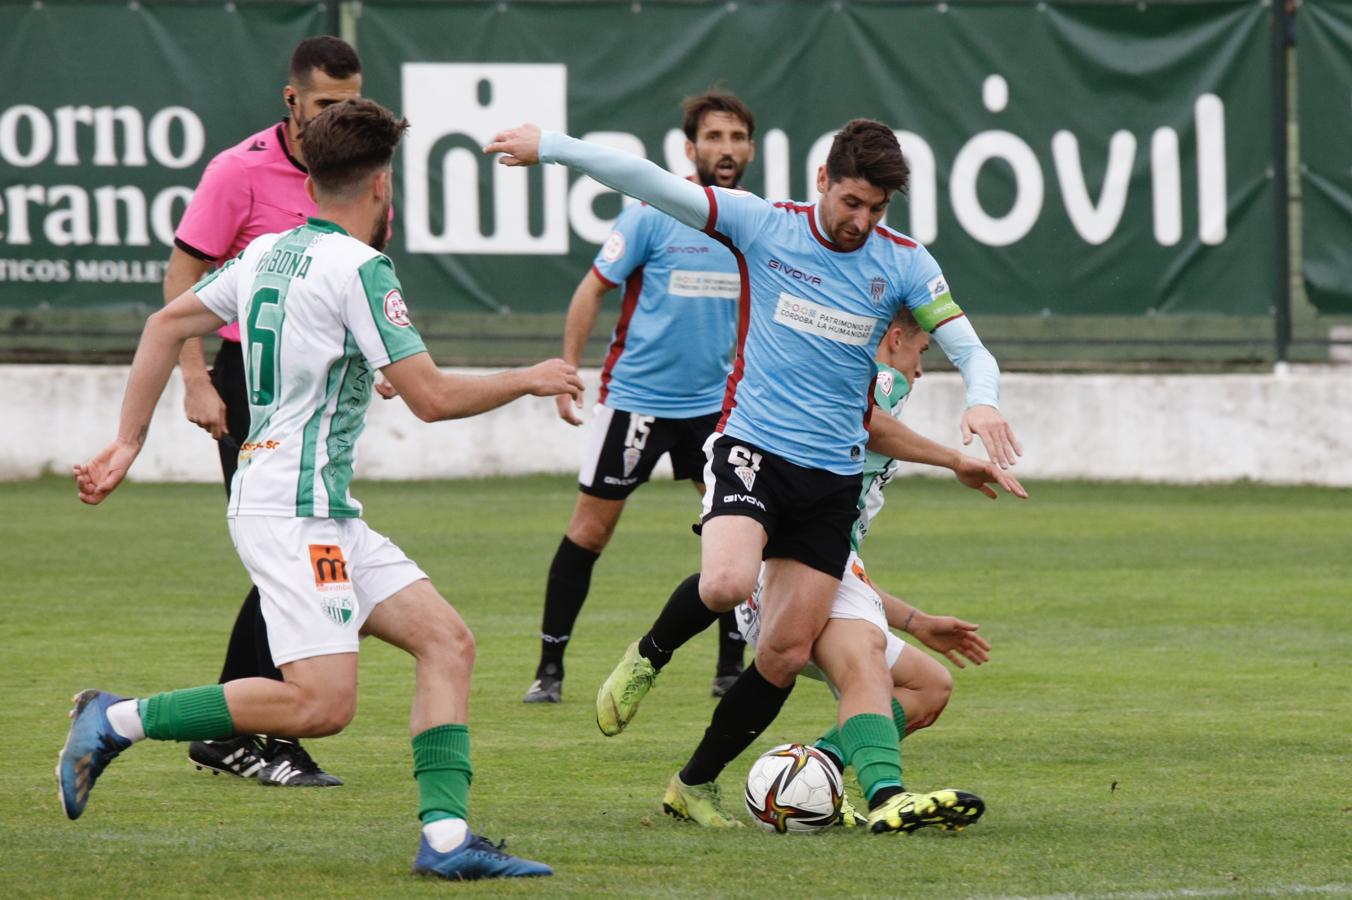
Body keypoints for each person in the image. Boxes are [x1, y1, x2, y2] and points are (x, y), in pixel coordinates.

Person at [61, 98, 579, 881]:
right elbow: (432, 398)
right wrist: (531, 378)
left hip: (318, 508)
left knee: (447, 643)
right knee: (321, 707)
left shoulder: (269, 252)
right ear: (380, 186)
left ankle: (445, 841)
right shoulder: (363, 270)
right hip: (291, 513)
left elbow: (167, 325)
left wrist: (128, 442)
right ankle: (117, 718)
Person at [485, 118, 1024, 833]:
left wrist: (982, 403)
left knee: (783, 653)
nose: (860, 221)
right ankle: (649, 655)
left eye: (876, 210)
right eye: (851, 202)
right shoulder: (764, 224)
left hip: (830, 483)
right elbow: (649, 183)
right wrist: (552, 147)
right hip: (752, 450)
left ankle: (706, 786)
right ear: (823, 182)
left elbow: (970, 348)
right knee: (726, 583)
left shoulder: (906, 264)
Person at [166, 35, 366, 786]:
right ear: (291, 102)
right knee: (285, 557)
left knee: (290, 556)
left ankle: (237, 728)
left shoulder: (359, 167)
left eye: (351, 104)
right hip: (251, 383)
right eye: (325, 107)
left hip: (324, 391)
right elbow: (184, 276)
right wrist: (194, 378)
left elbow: (365, 271)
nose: (340, 119)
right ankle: (258, 731)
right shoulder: (237, 170)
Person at [524, 90, 754, 705]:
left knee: (733, 531)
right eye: (713, 138)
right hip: (636, 405)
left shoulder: (749, 222)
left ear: (751, 148)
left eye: (736, 138)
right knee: (589, 533)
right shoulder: (652, 213)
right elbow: (591, 290)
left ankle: (731, 667)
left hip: (716, 409)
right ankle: (549, 669)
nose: (725, 149)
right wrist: (569, 370)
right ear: (690, 148)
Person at [735, 306, 993, 830]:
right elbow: (869, 417)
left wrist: (916, 621)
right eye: (922, 353)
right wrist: (954, 459)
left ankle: (809, 775)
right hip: (791, 566)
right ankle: (886, 796)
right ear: (895, 339)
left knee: (928, 686)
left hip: (822, 566)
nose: (919, 370)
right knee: (864, 663)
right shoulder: (882, 380)